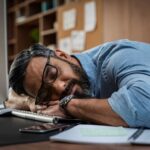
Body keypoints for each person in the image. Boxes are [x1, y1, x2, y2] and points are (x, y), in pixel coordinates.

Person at [6, 39, 150, 128]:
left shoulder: (117, 57)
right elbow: (11, 95)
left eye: (52, 74)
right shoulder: (42, 98)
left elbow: (144, 104)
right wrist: (31, 102)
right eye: (46, 93)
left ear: (63, 55)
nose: (60, 87)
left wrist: (69, 104)